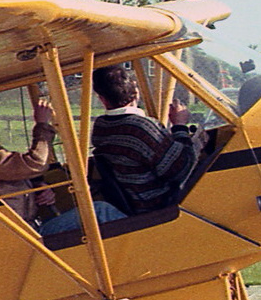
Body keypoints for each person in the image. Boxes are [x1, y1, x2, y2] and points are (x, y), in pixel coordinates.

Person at [37, 64, 204, 237]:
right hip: (155, 208)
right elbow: (180, 169)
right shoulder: (142, 127)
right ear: (136, 92)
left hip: (132, 201)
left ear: (102, 99)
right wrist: (179, 126)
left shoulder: (102, 127)